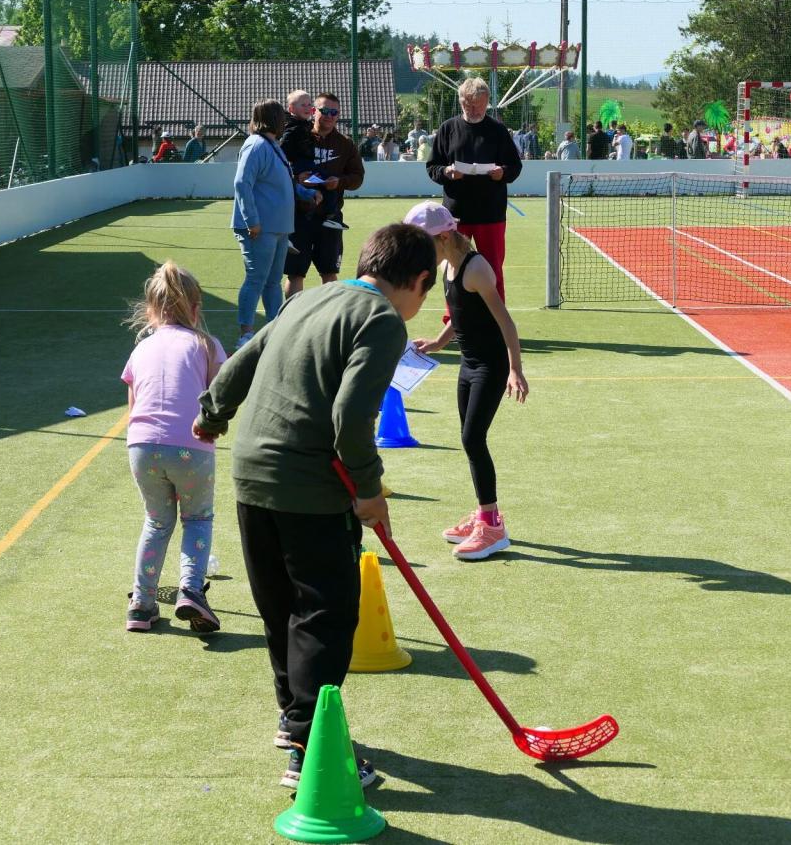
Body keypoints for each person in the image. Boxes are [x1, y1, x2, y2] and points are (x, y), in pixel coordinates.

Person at [194, 222, 438, 789]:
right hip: (309, 485)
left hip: (252, 474)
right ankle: (309, 750)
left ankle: (294, 720)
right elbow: (351, 418)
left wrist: (211, 414)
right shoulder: (382, 321)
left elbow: (243, 361)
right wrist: (369, 490)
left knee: (282, 608)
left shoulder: (307, 298)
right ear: (420, 280)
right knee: (325, 615)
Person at [407, 202, 527, 561]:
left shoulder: (476, 269)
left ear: (444, 238)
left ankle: (492, 527)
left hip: (490, 366)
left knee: (473, 438)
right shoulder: (448, 266)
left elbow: (505, 321)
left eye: (424, 244)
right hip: (468, 364)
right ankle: (483, 513)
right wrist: (438, 342)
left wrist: (515, 369)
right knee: (470, 439)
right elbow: (459, 315)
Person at [121, 261, 228, 634]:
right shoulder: (206, 345)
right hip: (191, 445)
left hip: (142, 446)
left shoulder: (141, 349)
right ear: (196, 309)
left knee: (156, 521)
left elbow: (133, 406)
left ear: (151, 310)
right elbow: (219, 398)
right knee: (197, 518)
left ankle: (141, 604)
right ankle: (191, 590)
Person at [232, 99, 322, 351]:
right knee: (256, 279)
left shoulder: (272, 145)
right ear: (273, 119)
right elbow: (242, 183)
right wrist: (252, 221)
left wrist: (305, 193)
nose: (285, 120)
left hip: (279, 227)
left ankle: (274, 328)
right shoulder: (256, 145)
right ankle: (246, 334)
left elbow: (283, 182)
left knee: (272, 282)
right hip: (260, 228)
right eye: (282, 116)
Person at [425, 77, 522, 303]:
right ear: (461, 101)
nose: (474, 109)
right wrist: (446, 171)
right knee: (453, 268)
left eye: (479, 104)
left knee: (493, 268)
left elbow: (515, 167)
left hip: (491, 214)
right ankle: (453, 316)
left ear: (487, 101)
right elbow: (432, 167)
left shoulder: (498, 130)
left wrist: (502, 173)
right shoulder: (448, 128)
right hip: (455, 214)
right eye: (468, 104)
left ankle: (496, 318)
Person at [285, 92, 365, 297]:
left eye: (334, 112)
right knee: (295, 273)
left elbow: (358, 177)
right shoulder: (297, 135)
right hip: (298, 216)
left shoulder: (345, 144)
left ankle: (328, 314)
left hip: (330, 219)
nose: (329, 116)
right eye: (325, 110)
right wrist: (296, 178)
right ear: (314, 111)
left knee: (329, 272)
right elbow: (277, 168)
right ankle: (291, 314)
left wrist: (339, 182)